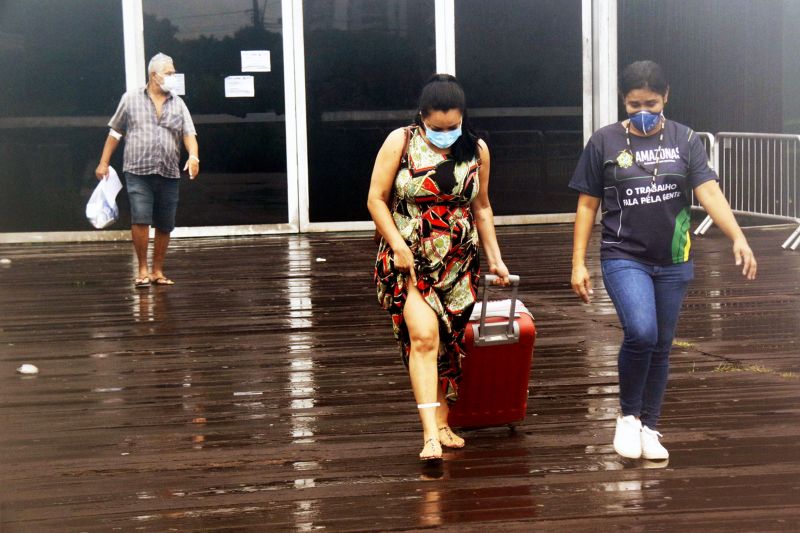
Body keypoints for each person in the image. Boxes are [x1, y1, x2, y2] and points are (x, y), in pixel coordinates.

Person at [569, 60, 757, 460]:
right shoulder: (604, 142)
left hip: (674, 258)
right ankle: (628, 417)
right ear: (623, 100)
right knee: (641, 332)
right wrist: (577, 262)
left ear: (666, 97)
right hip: (624, 255)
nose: (643, 110)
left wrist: (737, 236)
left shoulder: (686, 140)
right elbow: (587, 205)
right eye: (634, 103)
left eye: (651, 102)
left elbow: (708, 192)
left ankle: (651, 426)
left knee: (662, 344)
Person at [368, 74, 510, 462]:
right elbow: (376, 200)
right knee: (425, 338)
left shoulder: (477, 149)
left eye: (452, 127)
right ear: (421, 116)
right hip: (409, 258)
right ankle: (429, 433)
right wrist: (397, 245)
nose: (445, 134)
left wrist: (495, 258)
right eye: (436, 127)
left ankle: (444, 423)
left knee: (451, 343)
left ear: (463, 117)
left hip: (459, 260)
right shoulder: (402, 141)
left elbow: (481, 207)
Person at [95, 52, 199, 288]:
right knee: (141, 218)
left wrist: (194, 157)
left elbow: (188, 134)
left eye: (174, 73)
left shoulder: (178, 103)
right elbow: (115, 132)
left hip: (169, 171)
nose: (173, 77)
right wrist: (103, 162)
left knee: (165, 222)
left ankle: (158, 271)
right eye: (169, 73)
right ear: (154, 76)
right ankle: (142, 269)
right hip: (137, 170)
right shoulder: (131, 99)